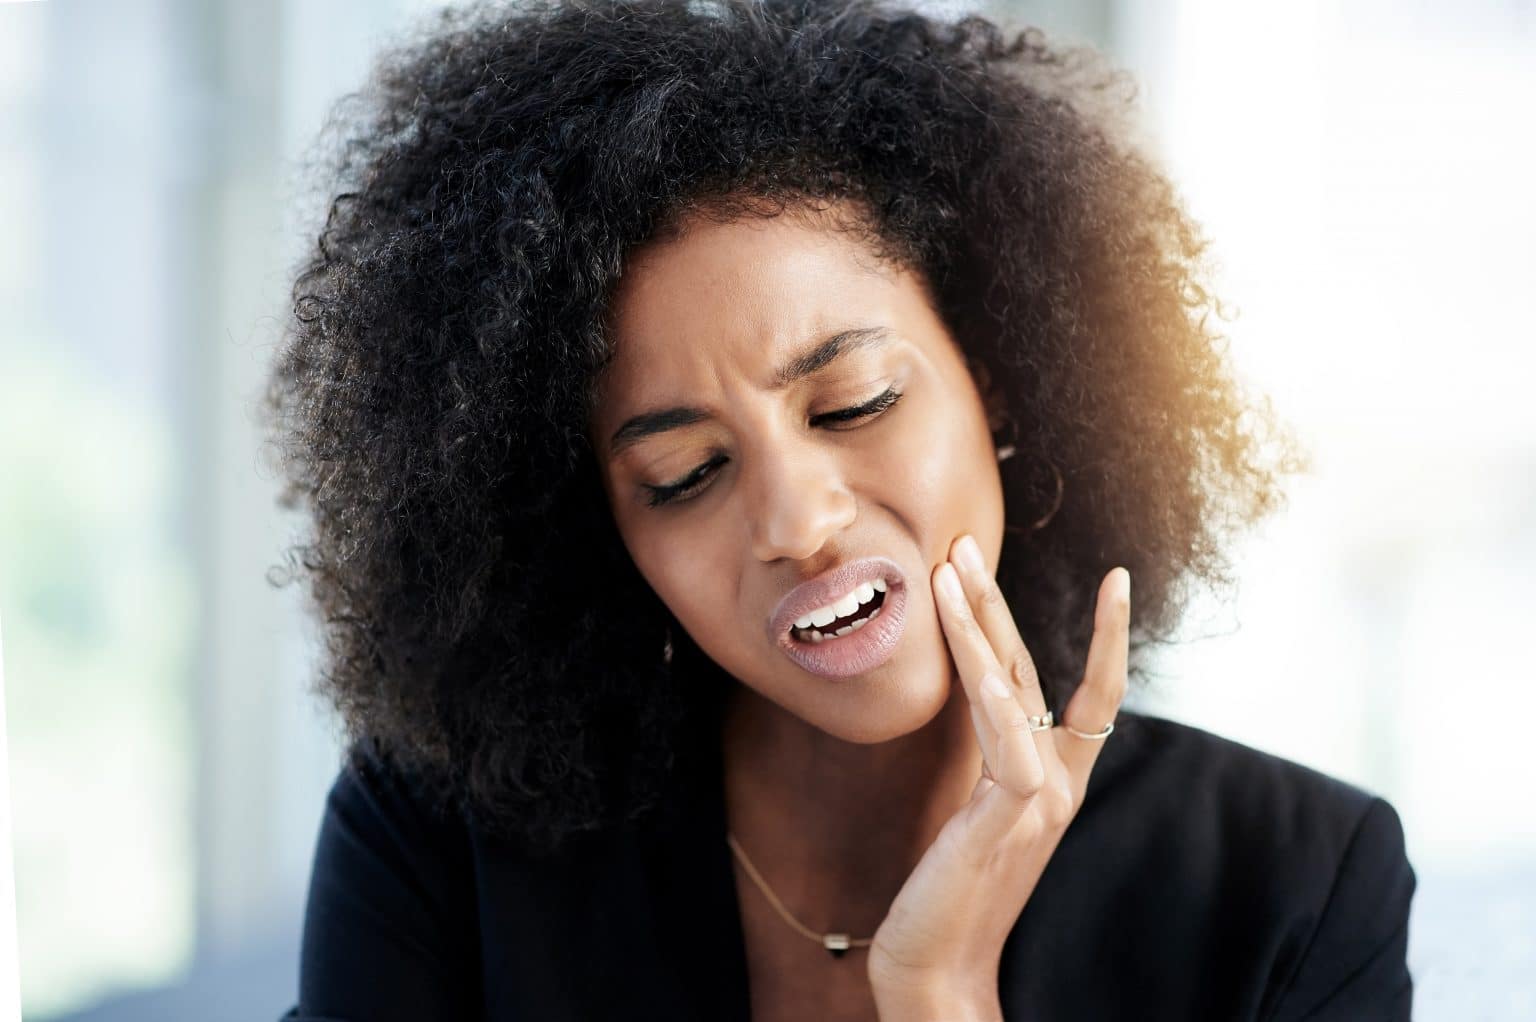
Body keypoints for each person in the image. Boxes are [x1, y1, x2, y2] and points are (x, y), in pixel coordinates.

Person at [264, 0, 1416, 1019]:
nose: (797, 521)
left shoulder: (1295, 886)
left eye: (855, 401)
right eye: (686, 476)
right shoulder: (443, 840)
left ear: (1001, 375)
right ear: (607, 534)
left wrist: (939, 995)